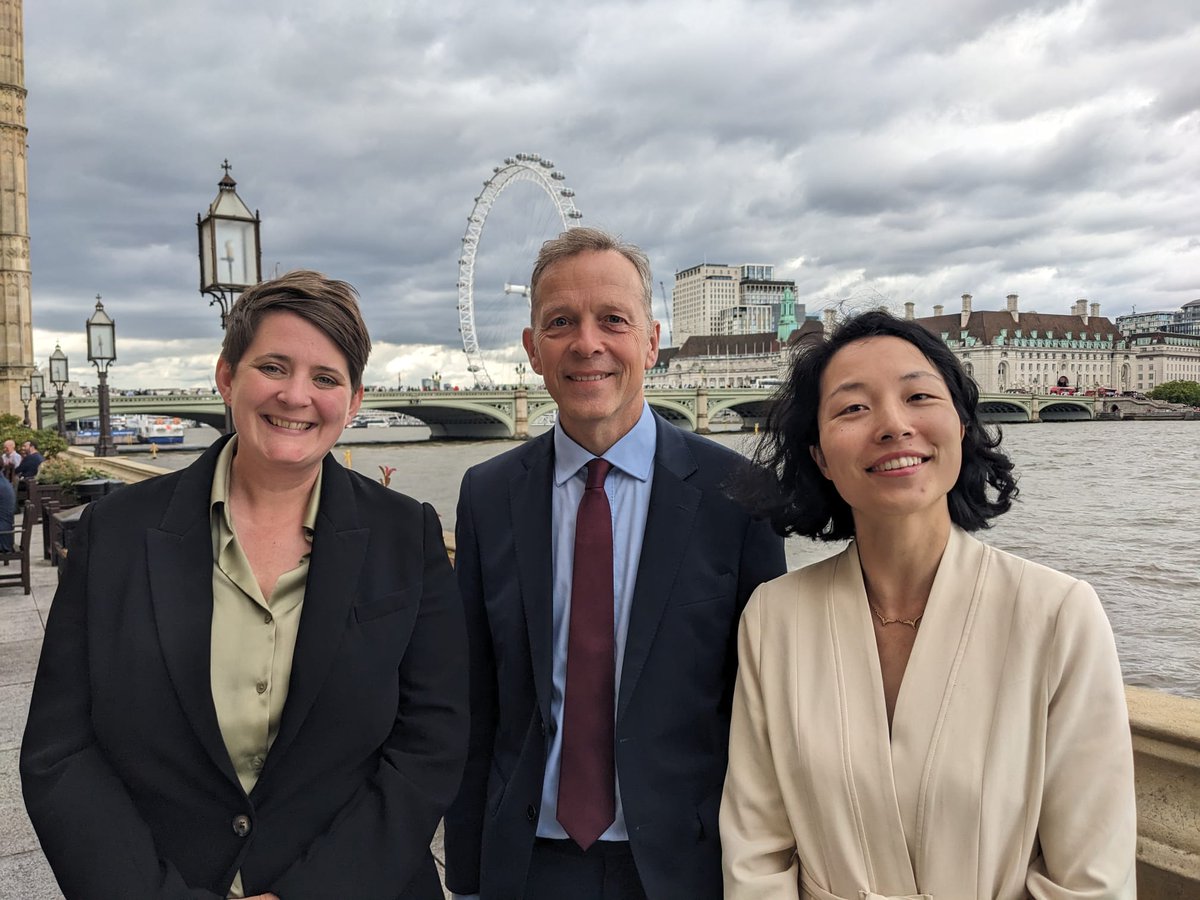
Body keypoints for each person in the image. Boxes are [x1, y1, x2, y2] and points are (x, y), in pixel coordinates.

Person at [21, 270, 468, 900]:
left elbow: (433, 740)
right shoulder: (116, 532)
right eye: (274, 366)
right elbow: (61, 752)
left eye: (325, 378)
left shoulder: (405, 533)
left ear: (355, 399)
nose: (296, 396)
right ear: (227, 376)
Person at [720, 310, 1136, 899]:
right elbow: (755, 858)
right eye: (852, 408)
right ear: (820, 457)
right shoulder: (773, 619)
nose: (893, 425)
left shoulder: (1059, 615)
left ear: (962, 426)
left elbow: (1092, 879)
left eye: (917, 395)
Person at [443, 227, 786, 900]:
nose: (587, 343)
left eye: (613, 320)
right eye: (561, 322)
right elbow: (475, 701)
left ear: (652, 342)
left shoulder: (739, 496)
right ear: (533, 349)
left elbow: (765, 705)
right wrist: (469, 877)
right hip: (527, 864)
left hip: (685, 866)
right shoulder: (487, 495)